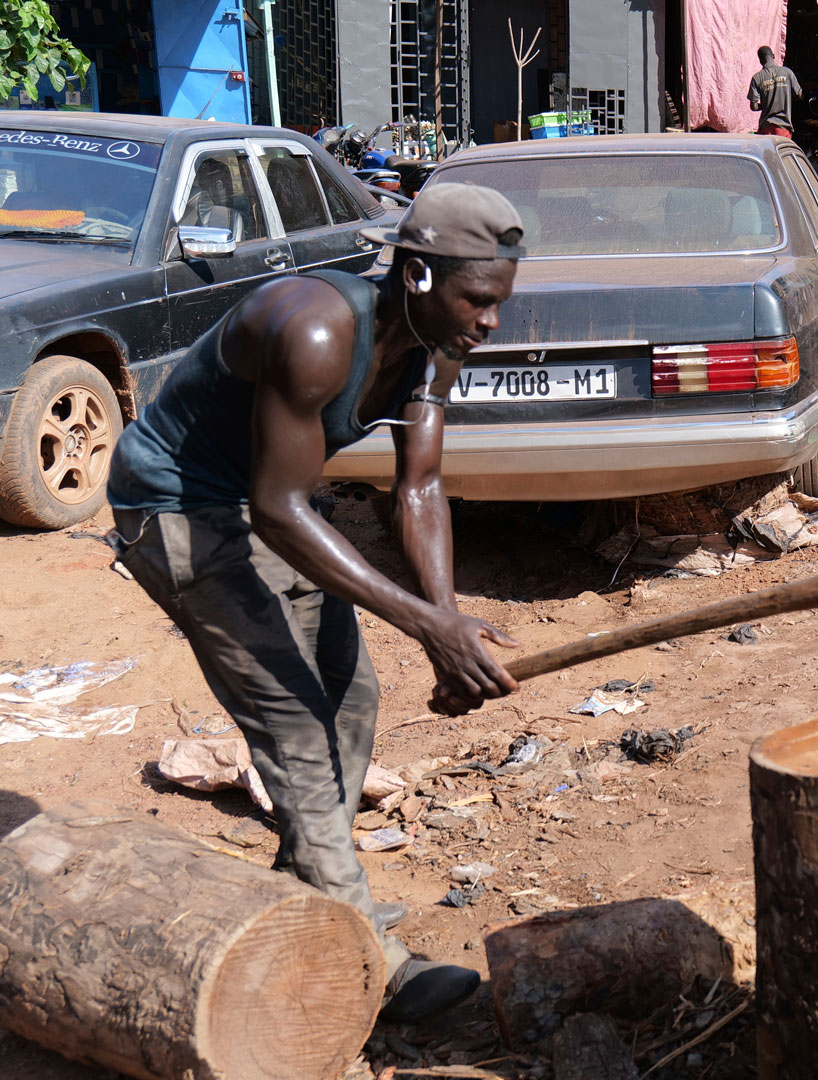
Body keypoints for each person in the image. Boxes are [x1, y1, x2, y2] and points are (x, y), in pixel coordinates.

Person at [105, 184, 527, 1024]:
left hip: (273, 502)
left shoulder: (438, 344)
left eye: (499, 303)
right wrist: (428, 623)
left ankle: (309, 890)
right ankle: (367, 962)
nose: (490, 322)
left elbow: (420, 487)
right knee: (294, 726)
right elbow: (277, 508)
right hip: (179, 506)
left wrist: (444, 624)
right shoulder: (317, 330)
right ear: (417, 274)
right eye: (478, 300)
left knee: (350, 695)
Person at [746, 45, 802, 138]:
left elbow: (754, 107)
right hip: (784, 128)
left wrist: (767, 104)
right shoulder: (787, 72)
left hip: (766, 128)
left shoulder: (757, 78)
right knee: (782, 148)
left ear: (760, 60)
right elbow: (799, 95)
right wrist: (787, 99)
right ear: (773, 56)